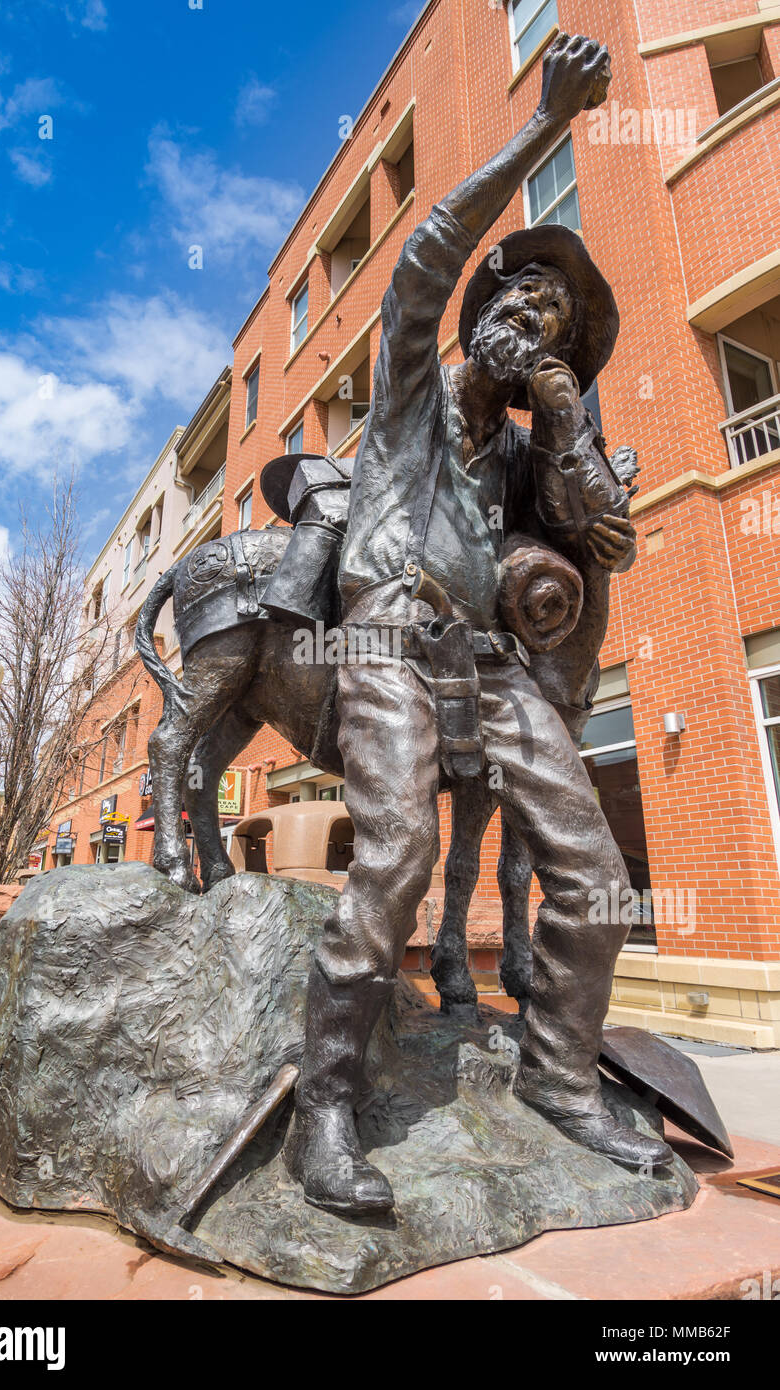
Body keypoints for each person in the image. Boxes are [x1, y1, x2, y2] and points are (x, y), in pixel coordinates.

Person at [285, 33, 672, 1218]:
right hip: (388, 637)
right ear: (482, 310)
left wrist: (561, 421)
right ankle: (326, 1107)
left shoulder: (522, 450)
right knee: (397, 855)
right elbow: (418, 258)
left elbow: (607, 539)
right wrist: (544, 126)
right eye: (518, 297)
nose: (529, 320)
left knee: (594, 874)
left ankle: (558, 1076)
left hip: (492, 668)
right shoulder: (410, 382)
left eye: (552, 320)